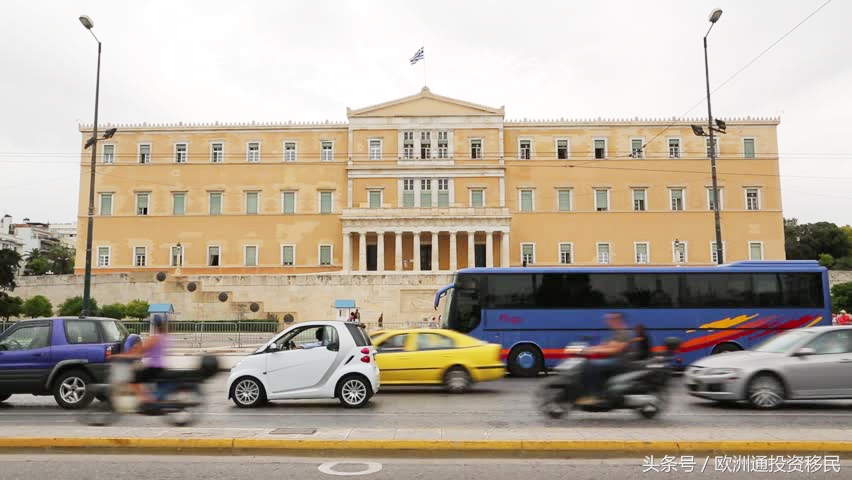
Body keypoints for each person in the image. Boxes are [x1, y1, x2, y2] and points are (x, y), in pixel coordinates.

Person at [576, 313, 632, 405]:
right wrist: (588, 349)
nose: (608, 322)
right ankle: (598, 393)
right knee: (587, 364)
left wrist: (595, 351)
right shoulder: (616, 333)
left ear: (618, 320)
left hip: (621, 361)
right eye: (608, 320)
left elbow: (616, 350)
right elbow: (604, 346)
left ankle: (594, 396)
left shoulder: (625, 333)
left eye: (610, 320)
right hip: (615, 360)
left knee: (590, 365)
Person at [121, 314, 170, 404]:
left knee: (133, 379)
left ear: (154, 325)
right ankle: (150, 396)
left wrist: (121, 355)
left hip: (154, 368)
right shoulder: (164, 337)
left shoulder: (154, 338)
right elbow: (153, 352)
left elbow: (141, 351)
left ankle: (145, 400)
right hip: (162, 366)